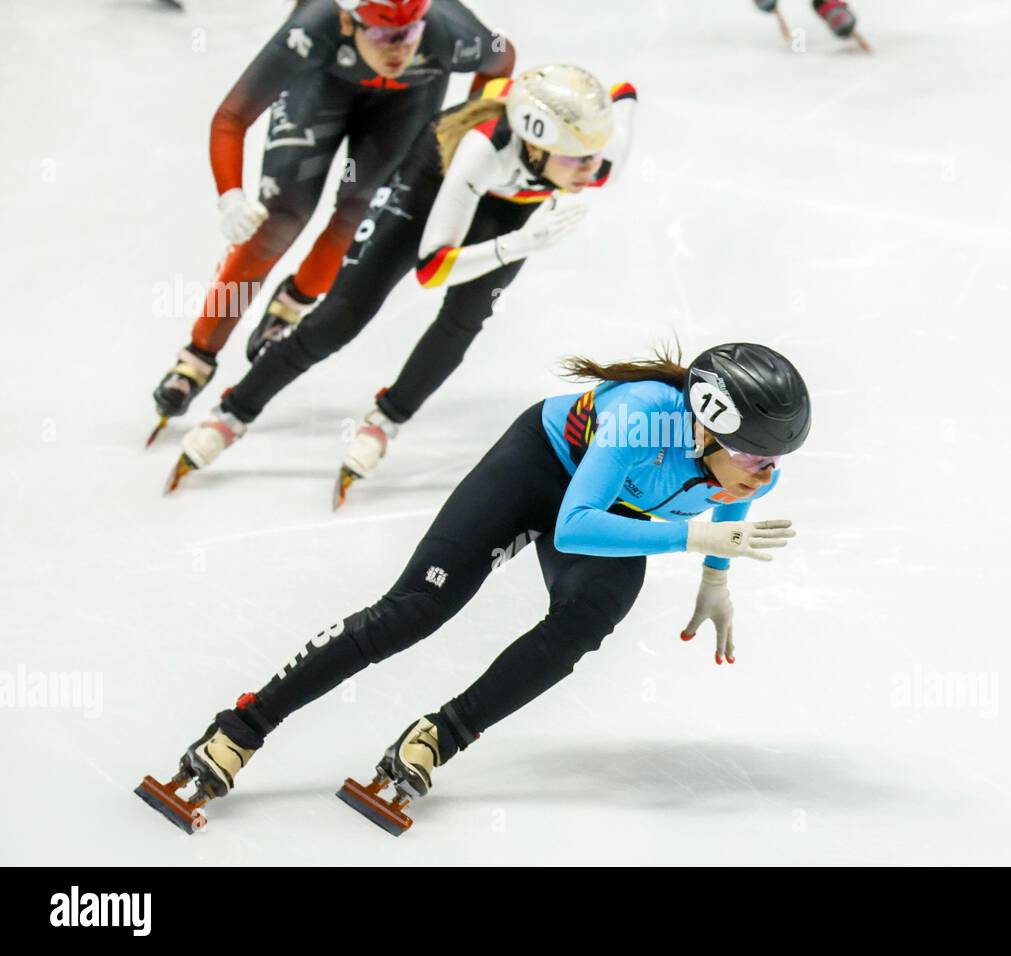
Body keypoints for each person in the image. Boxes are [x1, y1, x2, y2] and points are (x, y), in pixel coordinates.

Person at [137, 343, 811, 833]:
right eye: (754, 458)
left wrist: (716, 579)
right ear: (704, 425)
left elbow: (727, 504)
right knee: (416, 611)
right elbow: (576, 525)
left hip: (617, 510)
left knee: (586, 621)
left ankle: (435, 737)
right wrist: (692, 541)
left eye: (773, 462)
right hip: (542, 468)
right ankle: (240, 729)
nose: (763, 476)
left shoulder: (748, 464)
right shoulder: (642, 415)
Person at [164, 64, 638, 506]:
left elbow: (625, 96)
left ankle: (387, 420)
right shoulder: (482, 151)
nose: (592, 170)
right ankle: (233, 413)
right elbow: (431, 269)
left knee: (466, 317)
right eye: (578, 159)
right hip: (431, 180)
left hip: (508, 204)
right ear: (536, 146)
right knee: (342, 317)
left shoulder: (595, 155)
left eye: (596, 154)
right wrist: (519, 244)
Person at [148, 0, 514, 442]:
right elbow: (231, 117)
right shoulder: (311, 30)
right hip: (320, 86)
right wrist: (230, 195)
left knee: (359, 211)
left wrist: (470, 123)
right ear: (347, 21)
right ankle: (199, 353)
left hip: (407, 103)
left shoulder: (450, 33)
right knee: (279, 220)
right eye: (382, 35)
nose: (397, 49)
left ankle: (294, 302)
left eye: (409, 33)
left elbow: (502, 57)